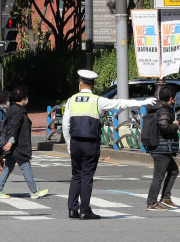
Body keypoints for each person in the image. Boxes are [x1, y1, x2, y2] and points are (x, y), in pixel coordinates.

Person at [63, 70, 155, 220]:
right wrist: (142, 102)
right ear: (93, 84)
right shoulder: (98, 100)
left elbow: (66, 125)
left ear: (80, 83)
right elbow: (120, 103)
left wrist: (69, 145)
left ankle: (72, 209)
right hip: (90, 143)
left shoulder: (71, 100)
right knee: (87, 176)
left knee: (76, 176)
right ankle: (85, 210)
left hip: (75, 143)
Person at [0, 86, 49, 199]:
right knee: (25, 165)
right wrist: (10, 141)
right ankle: (34, 191)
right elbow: (14, 127)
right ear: (23, 98)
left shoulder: (12, 108)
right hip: (18, 144)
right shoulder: (18, 110)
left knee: (8, 166)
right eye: (26, 96)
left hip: (15, 144)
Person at [146, 84, 180, 211]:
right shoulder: (164, 110)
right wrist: (175, 125)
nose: (175, 100)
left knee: (173, 171)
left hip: (161, 146)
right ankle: (151, 202)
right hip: (161, 147)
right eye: (174, 98)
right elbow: (164, 126)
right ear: (171, 98)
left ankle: (166, 197)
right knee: (158, 176)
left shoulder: (157, 108)